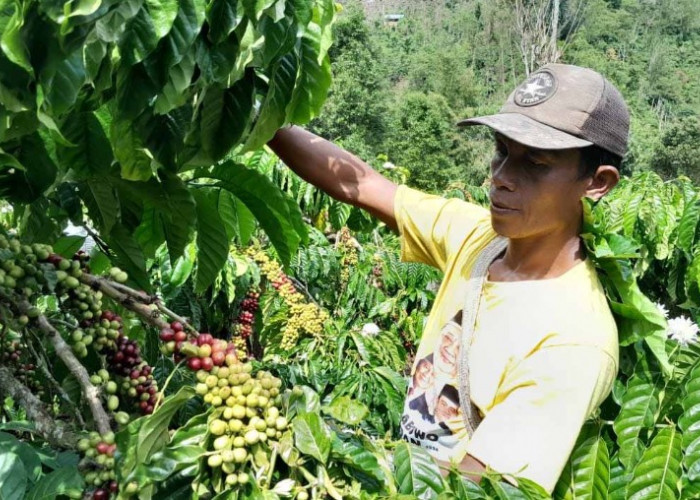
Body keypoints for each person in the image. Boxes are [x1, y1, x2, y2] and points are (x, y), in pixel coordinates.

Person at [267, 63, 623, 493]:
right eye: (501, 151)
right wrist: (254, 111)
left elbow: (474, 489)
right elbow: (359, 185)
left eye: (536, 163)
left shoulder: (574, 342)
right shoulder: (479, 237)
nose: (501, 177)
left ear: (597, 182)